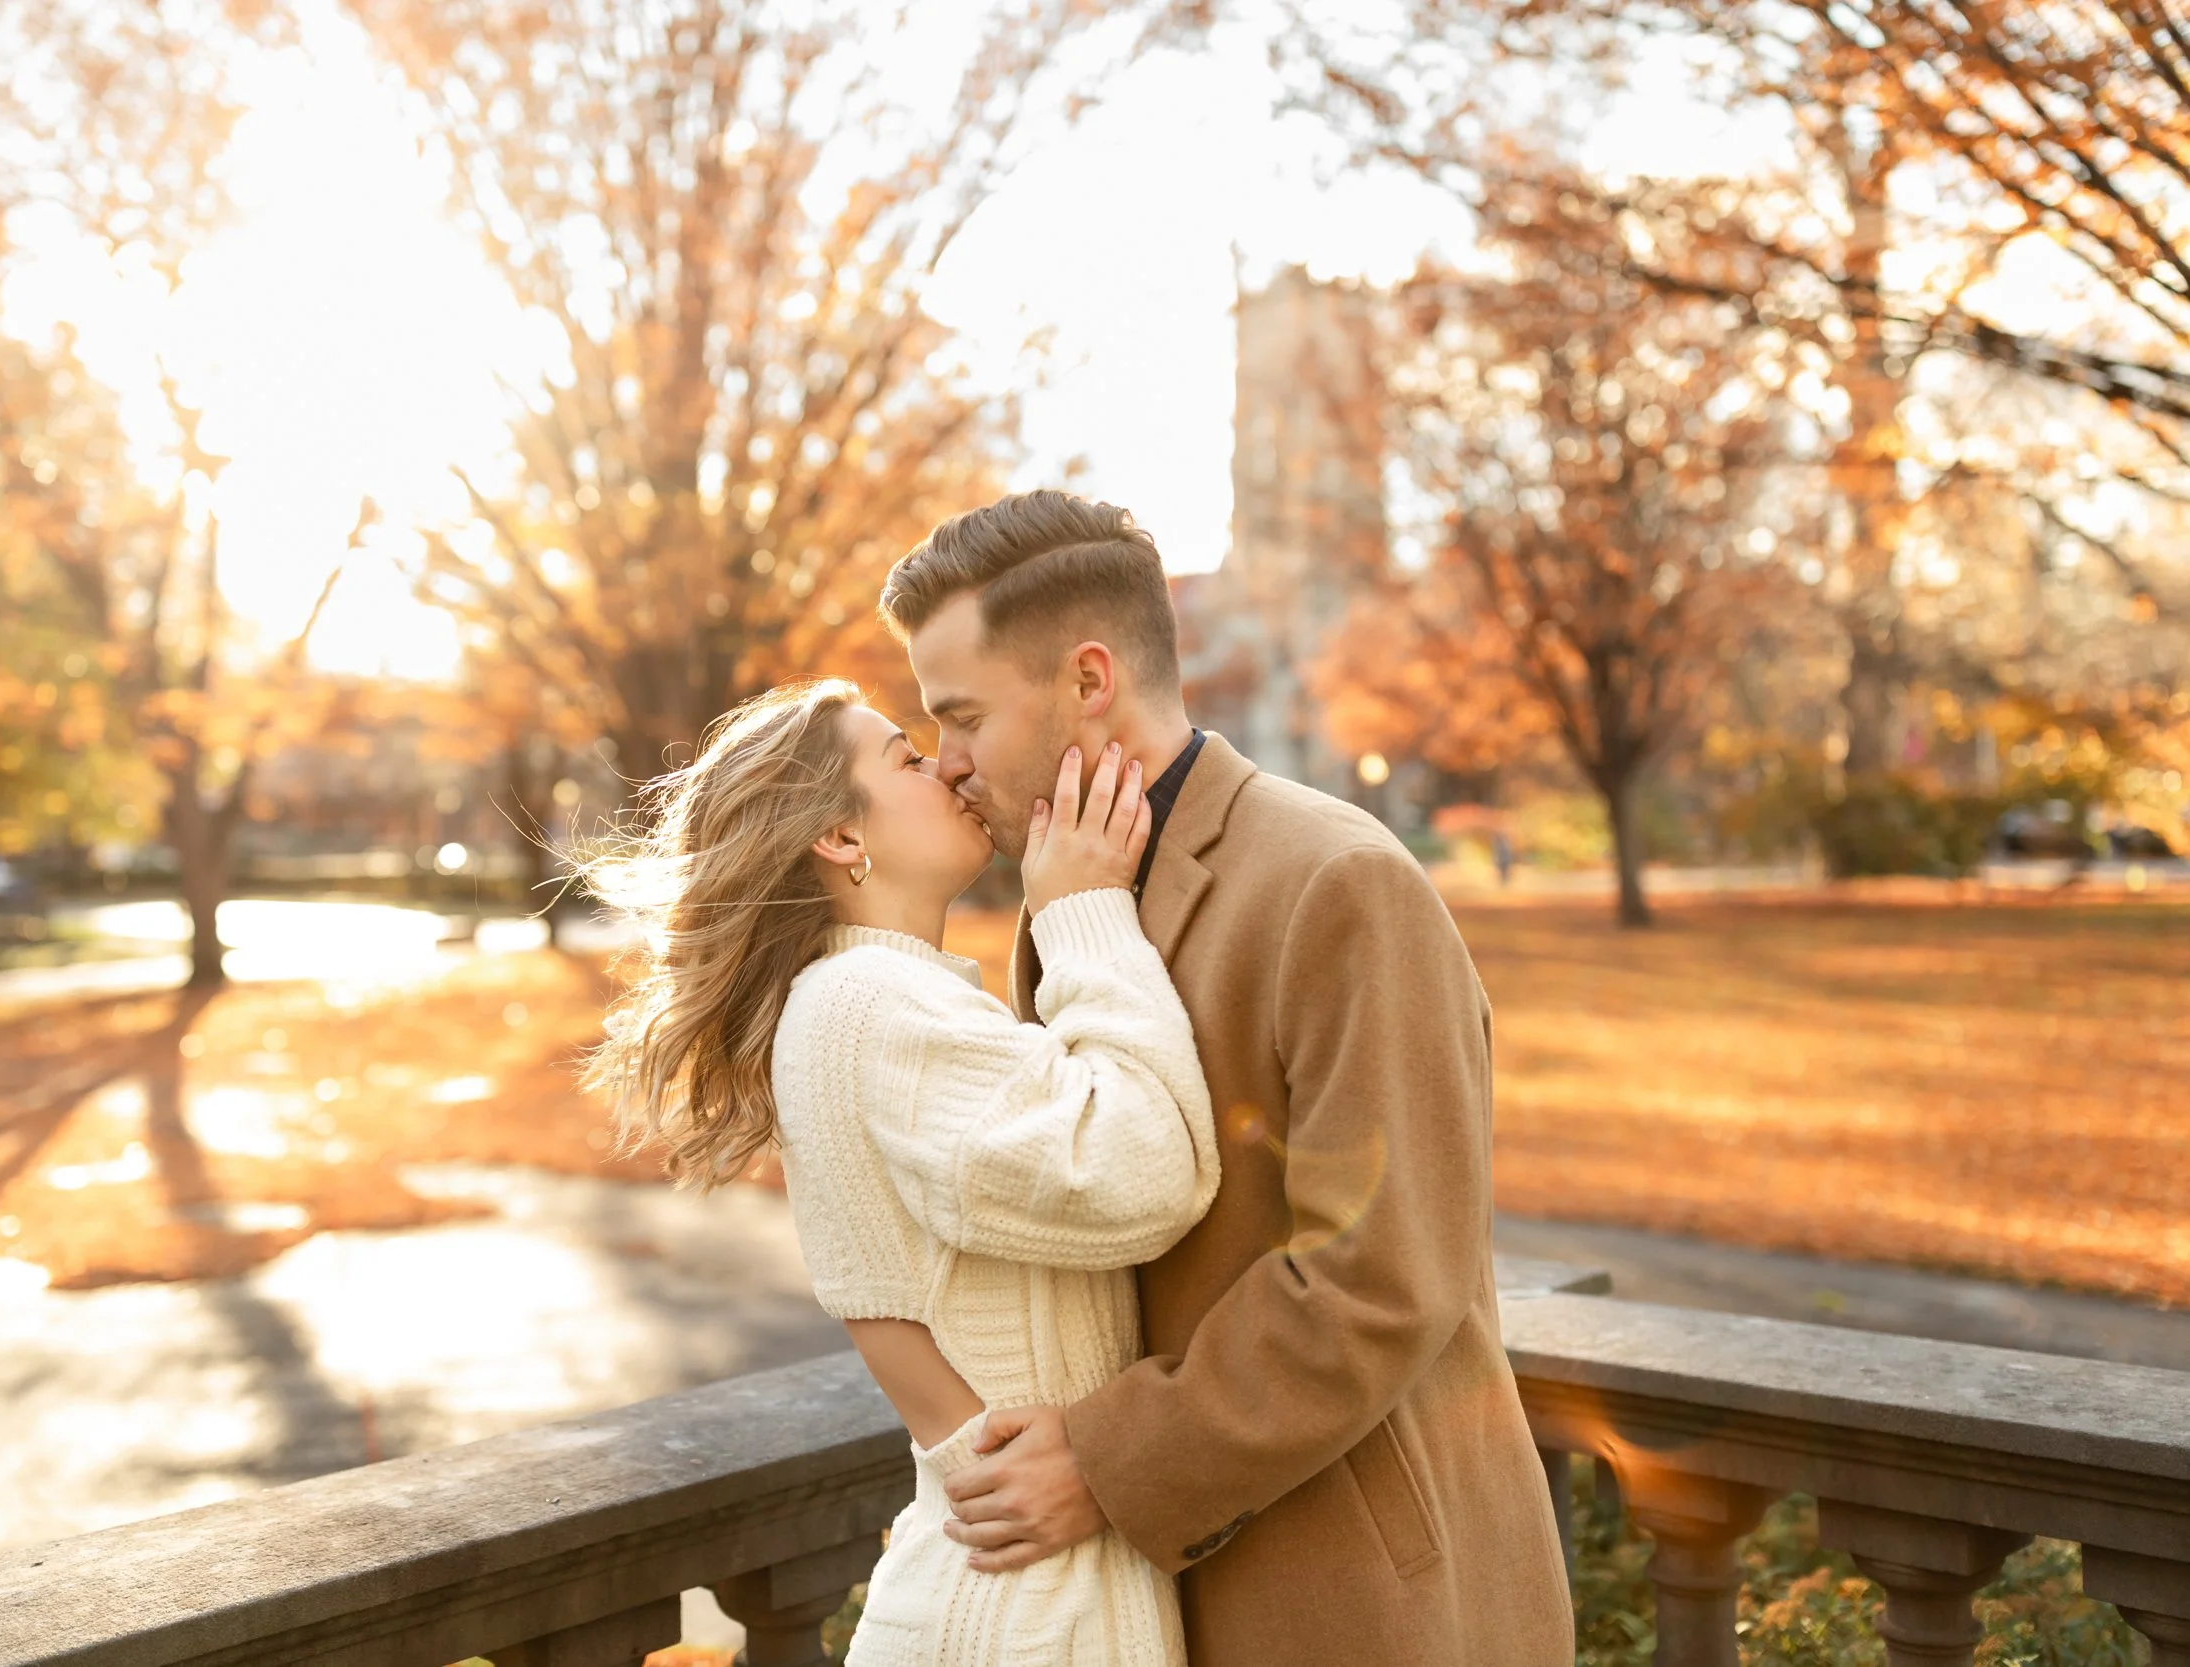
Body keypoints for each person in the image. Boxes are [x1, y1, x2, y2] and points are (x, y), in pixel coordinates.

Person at [881, 488, 1576, 1666]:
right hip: (1151, 1600)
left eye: (962, 717)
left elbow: (1382, 1274)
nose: (945, 764)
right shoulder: (1066, 897)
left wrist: (1106, 1458)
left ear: (1087, 680)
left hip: (1360, 1601)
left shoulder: (1337, 881)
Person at [578, 679, 1220, 1666]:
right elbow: (1147, 1173)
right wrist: (1086, 913)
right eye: (907, 758)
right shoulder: (872, 1006)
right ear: (840, 835)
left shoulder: (865, 1002)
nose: (948, 767)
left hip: (1017, 1584)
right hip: (1027, 1615)